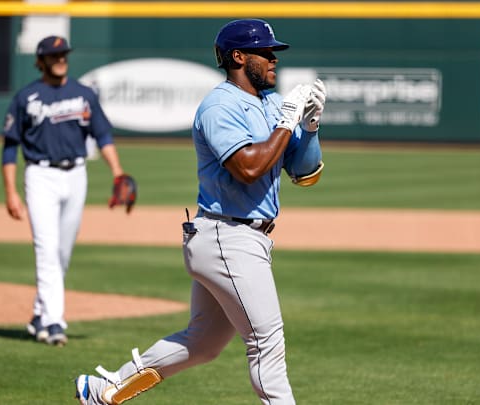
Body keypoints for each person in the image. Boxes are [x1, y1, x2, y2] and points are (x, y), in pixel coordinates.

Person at [74, 18, 326, 405]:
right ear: (239, 57)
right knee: (266, 341)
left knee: (204, 343)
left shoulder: (272, 104)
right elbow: (247, 168)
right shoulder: (219, 106)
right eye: (267, 52)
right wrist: (285, 123)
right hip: (226, 236)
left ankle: (104, 389)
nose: (275, 59)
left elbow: (305, 175)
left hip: (241, 238)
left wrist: (308, 127)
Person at [1, 35, 128, 346]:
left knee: (62, 253)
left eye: (64, 54)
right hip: (40, 175)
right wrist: (11, 192)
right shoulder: (27, 97)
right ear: (41, 60)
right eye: (54, 55)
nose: (61, 59)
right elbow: (9, 147)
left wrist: (118, 172)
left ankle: (38, 315)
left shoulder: (83, 95)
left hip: (76, 175)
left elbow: (103, 135)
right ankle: (55, 322)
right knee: (46, 250)